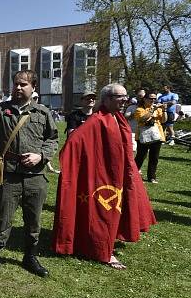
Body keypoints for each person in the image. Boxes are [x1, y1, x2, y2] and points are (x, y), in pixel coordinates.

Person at [52, 84, 156, 270]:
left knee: (120, 209)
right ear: (106, 99)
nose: (125, 99)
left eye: (126, 96)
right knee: (103, 213)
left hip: (119, 172)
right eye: (119, 96)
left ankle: (109, 239)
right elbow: (74, 142)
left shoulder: (118, 118)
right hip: (104, 177)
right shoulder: (97, 120)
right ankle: (102, 249)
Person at [0, 70, 59, 280]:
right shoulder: (1, 109)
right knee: (2, 219)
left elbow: (53, 139)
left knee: (33, 221)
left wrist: (41, 156)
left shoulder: (42, 112)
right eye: (16, 84)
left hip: (35, 177)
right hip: (9, 175)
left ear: (33, 88)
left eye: (23, 85)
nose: (18, 88)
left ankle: (30, 257)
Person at [134, 93, 167, 183]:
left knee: (154, 157)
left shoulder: (158, 109)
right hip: (143, 136)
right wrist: (153, 110)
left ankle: (151, 177)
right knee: (141, 156)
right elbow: (142, 119)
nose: (153, 100)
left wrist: (164, 110)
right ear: (145, 99)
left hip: (157, 135)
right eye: (150, 98)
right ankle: (133, 174)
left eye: (154, 98)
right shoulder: (139, 109)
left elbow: (164, 121)